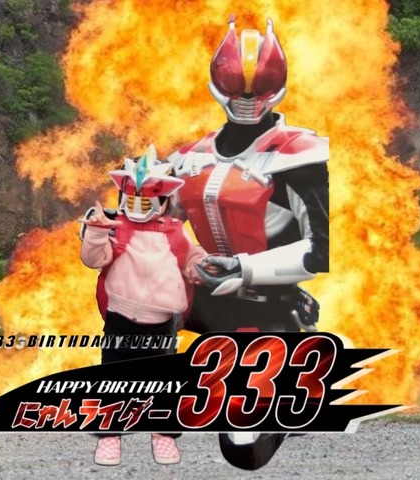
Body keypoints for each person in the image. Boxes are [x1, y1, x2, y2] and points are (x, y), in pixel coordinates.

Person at [167, 15, 329, 470]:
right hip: (206, 300)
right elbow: (159, 227)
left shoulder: (298, 154)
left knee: (243, 447)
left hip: (268, 303)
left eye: (258, 89)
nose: (246, 100)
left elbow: (318, 251)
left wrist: (244, 268)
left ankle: (294, 380)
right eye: (235, 88)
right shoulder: (191, 155)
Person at [79, 144, 207, 466]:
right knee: (112, 382)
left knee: (163, 385)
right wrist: (95, 233)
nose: (138, 205)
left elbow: (193, 262)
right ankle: (110, 439)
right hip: (119, 320)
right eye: (132, 198)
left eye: (147, 200)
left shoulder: (176, 233)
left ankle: (163, 437)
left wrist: (207, 268)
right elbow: (93, 260)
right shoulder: (115, 227)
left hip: (162, 325)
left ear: (163, 200)